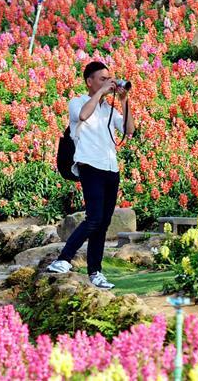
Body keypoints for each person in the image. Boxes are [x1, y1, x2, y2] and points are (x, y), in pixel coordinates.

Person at [46, 61, 135, 289]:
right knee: (94, 218)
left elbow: (129, 130)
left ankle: (95, 273)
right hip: (89, 166)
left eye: (109, 79)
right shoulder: (78, 102)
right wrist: (102, 93)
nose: (108, 82)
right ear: (90, 82)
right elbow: (84, 116)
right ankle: (63, 260)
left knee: (103, 223)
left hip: (110, 169)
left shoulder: (109, 110)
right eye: (102, 79)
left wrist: (124, 103)